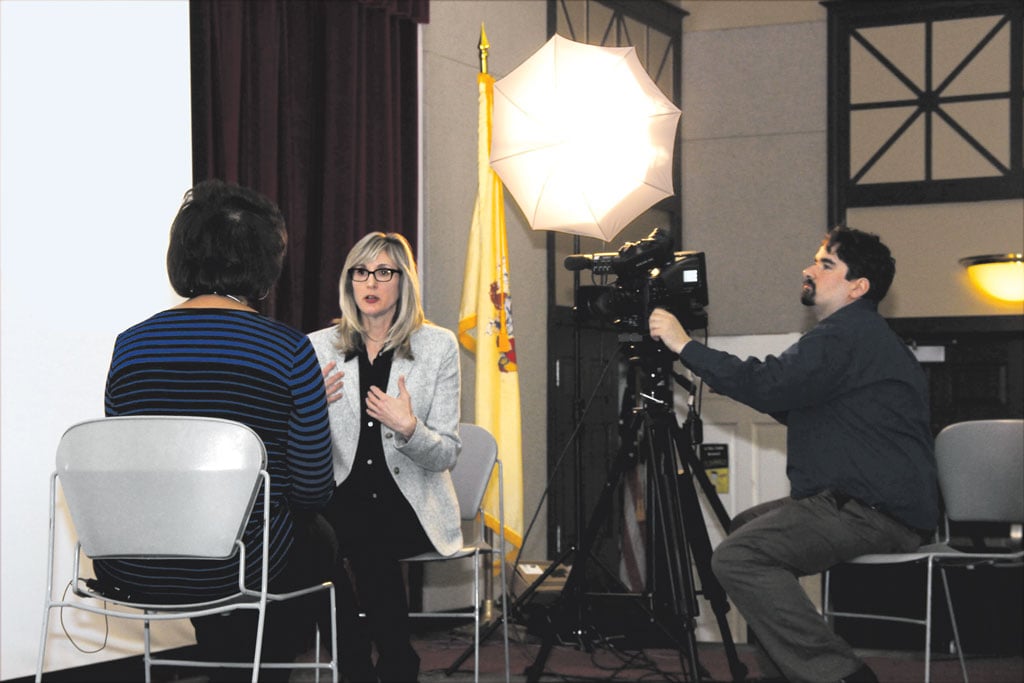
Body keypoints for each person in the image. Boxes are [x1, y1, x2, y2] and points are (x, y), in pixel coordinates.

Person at [648, 226, 938, 683]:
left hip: (872, 511)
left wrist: (685, 347)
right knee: (746, 528)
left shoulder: (847, 333)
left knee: (738, 558)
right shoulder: (859, 337)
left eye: (826, 264)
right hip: (872, 504)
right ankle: (786, 673)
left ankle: (839, 674)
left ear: (857, 287)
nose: (809, 269)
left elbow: (771, 384)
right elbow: (790, 400)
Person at [96, 179, 337, 679]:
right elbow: (313, 488)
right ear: (264, 265)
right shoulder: (289, 351)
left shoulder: (130, 346)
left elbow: (126, 470)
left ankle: (232, 662)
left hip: (139, 563)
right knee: (317, 537)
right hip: (243, 564)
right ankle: (258, 668)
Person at [308, 231, 462, 683]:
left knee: (364, 535)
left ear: (403, 282)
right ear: (349, 281)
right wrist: (309, 406)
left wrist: (409, 428)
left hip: (410, 499)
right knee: (312, 543)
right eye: (360, 271)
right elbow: (299, 443)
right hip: (340, 492)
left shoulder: (437, 346)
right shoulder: (319, 347)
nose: (370, 281)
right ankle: (363, 661)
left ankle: (389, 663)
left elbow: (447, 453)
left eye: (383, 272)